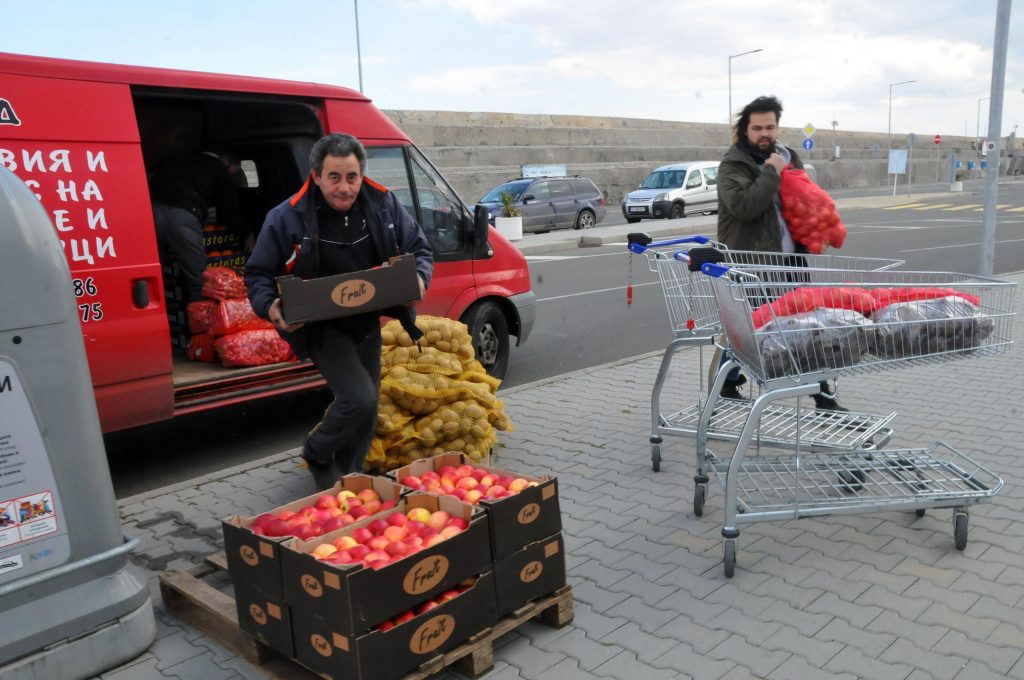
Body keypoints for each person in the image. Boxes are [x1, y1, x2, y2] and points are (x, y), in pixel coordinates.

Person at [245, 133, 434, 490]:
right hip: (320, 326)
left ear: (362, 175)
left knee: (369, 407)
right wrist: (270, 306)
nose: (344, 187)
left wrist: (420, 280)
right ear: (316, 176)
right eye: (334, 177)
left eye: (351, 177)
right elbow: (258, 274)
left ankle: (349, 481)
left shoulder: (383, 205)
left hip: (367, 318)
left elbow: (420, 250)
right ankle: (318, 452)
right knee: (358, 397)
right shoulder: (287, 217)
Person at [716, 95, 845, 411]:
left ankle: (821, 394)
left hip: (790, 264)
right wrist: (771, 170)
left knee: (803, 325)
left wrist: (817, 233)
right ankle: (729, 383)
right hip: (754, 267)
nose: (764, 134)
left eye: (769, 127)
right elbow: (745, 207)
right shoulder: (733, 165)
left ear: (777, 127)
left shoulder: (790, 157)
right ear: (745, 130)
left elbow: (803, 203)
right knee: (754, 330)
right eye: (757, 127)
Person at [150, 151, 251, 305]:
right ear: (227, 163)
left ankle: (153, 316)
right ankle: (201, 323)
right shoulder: (217, 167)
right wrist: (245, 234)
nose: (233, 178)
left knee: (153, 273)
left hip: (151, 214)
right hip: (182, 218)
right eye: (234, 172)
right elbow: (229, 208)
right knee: (197, 278)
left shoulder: (177, 157)